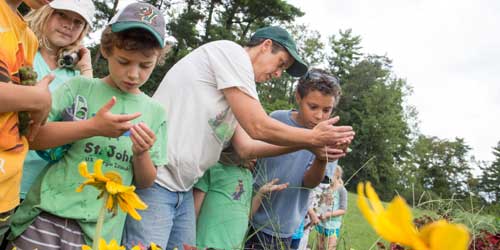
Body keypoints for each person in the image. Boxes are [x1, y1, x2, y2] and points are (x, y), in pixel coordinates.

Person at [123, 26, 355, 249]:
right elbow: (257, 126)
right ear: (266, 46)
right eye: (280, 64)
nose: (277, 73)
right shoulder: (230, 53)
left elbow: (246, 148)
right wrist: (311, 138)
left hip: (182, 187)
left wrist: (309, 144)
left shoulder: (235, 91)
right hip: (158, 179)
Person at [7, 2, 170, 248]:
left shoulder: (155, 112)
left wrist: (141, 153)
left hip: (99, 231)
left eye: (145, 66)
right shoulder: (79, 87)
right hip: (46, 216)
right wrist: (92, 127)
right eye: (124, 62)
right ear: (106, 50)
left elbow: (146, 181)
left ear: (157, 59)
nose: (134, 74)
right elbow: (33, 137)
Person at [245, 69, 345, 249]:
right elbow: (254, 156)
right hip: (247, 213)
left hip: (283, 228)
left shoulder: (329, 139)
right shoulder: (277, 119)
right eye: (313, 107)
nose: (319, 116)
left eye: (327, 110)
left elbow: (309, 183)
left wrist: (322, 157)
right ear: (298, 97)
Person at [20, 0, 96, 201]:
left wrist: (86, 69)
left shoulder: (75, 75)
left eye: (78, 22)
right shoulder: (23, 49)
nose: (68, 25)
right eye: (61, 15)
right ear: (45, 12)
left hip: (41, 188)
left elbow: (87, 112)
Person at [0, 0, 55, 242]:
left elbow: (25, 112)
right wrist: (38, 98)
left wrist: (37, 107)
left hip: (6, 193)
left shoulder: (28, 38)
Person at [193, 159, 288, 250]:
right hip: (206, 244)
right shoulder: (212, 168)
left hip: (235, 246)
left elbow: (247, 214)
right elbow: (193, 212)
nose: (255, 160)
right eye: (252, 153)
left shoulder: (248, 175)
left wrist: (261, 193)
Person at [309, 165, 347, 250]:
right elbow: (322, 205)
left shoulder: (342, 190)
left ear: (337, 175)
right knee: (319, 247)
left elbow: (343, 210)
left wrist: (328, 214)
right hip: (322, 223)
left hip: (333, 225)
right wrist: (317, 214)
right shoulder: (326, 188)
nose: (327, 177)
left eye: (330, 175)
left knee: (330, 248)